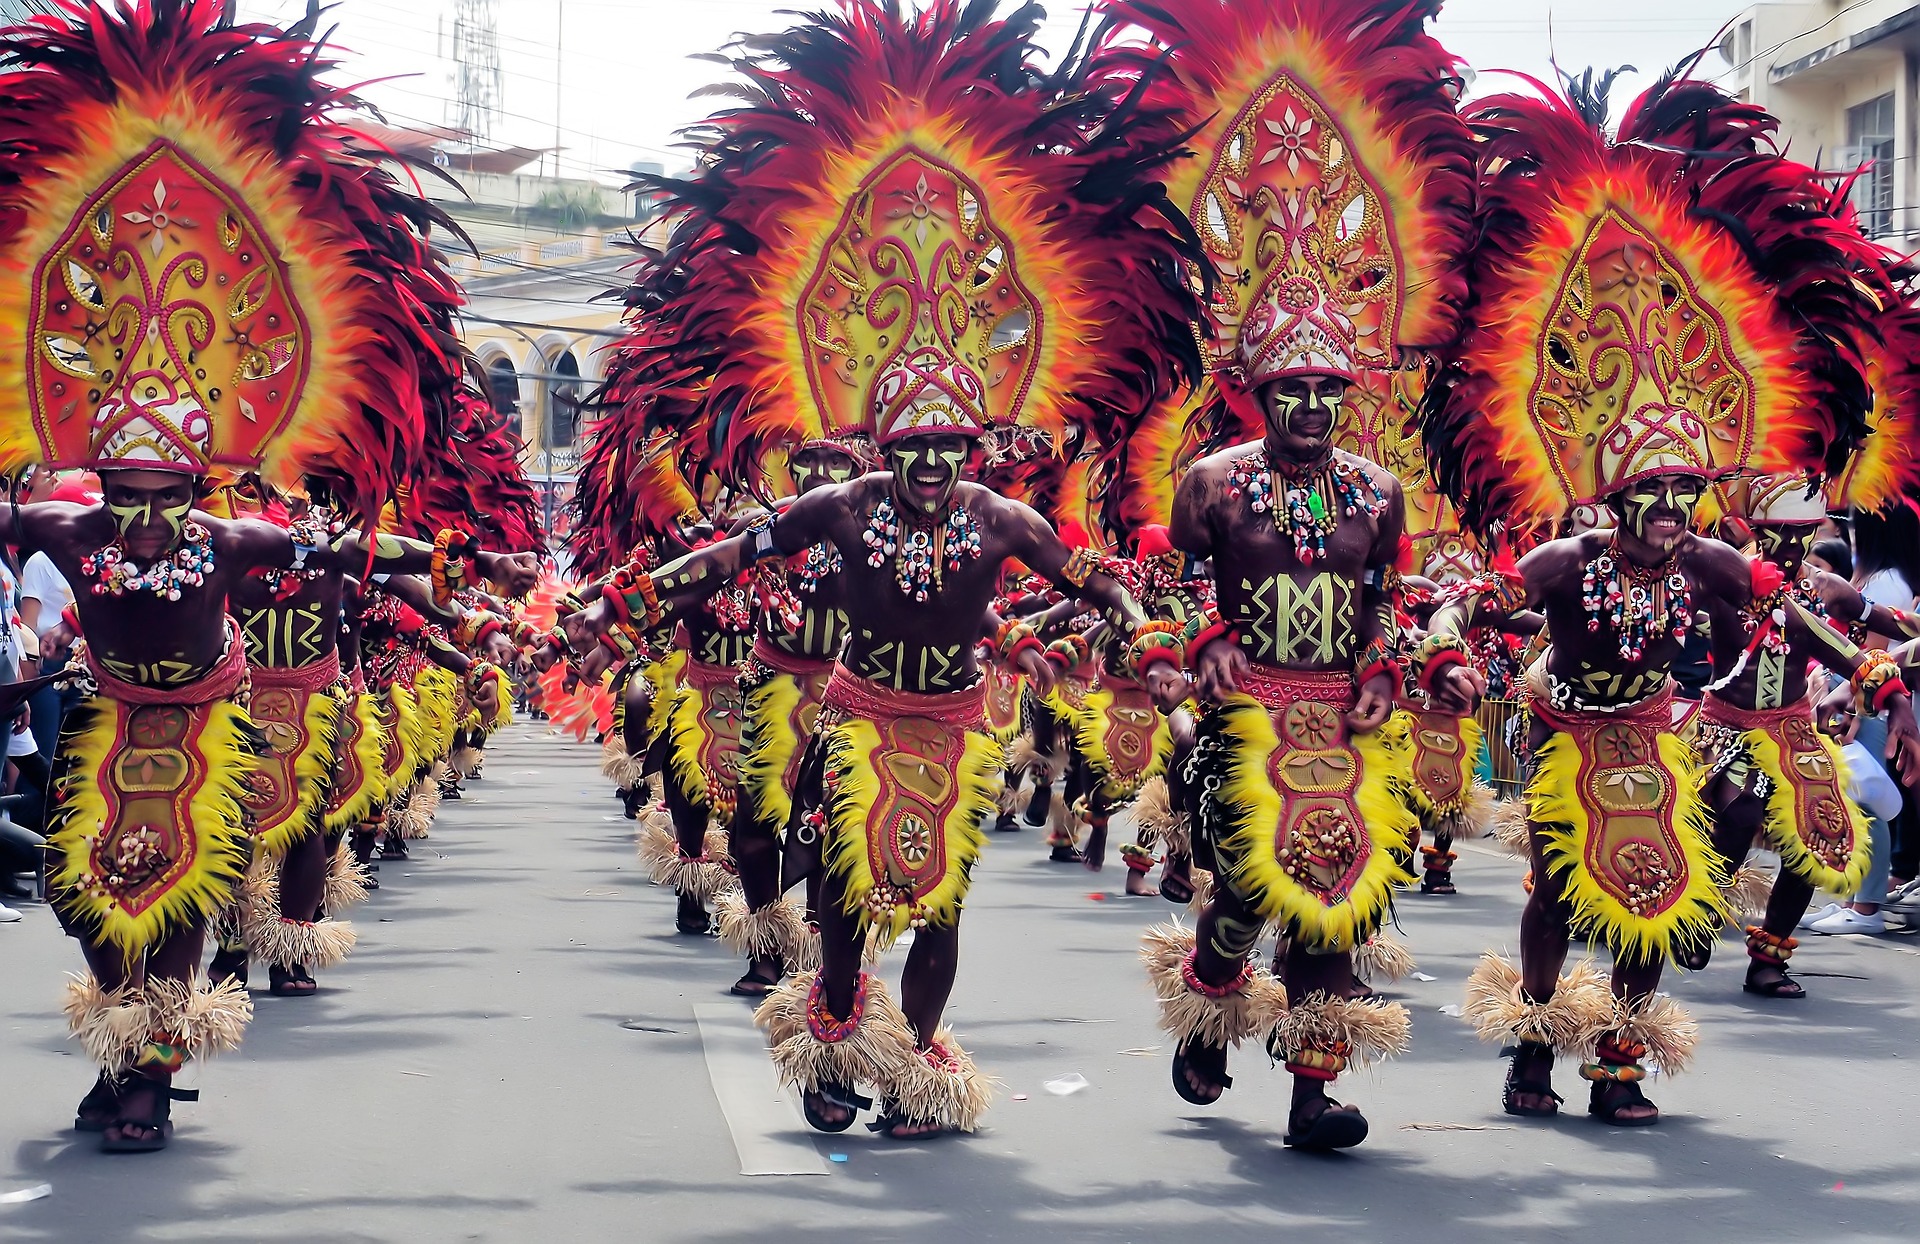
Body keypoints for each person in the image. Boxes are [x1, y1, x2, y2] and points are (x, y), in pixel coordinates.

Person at [571, 0, 1200, 1140]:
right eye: (910, 452)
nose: (928, 469)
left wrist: (1139, 627)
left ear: (974, 450)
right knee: (851, 889)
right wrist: (638, 592)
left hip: (955, 721)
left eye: (947, 453)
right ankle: (834, 1036)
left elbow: (1087, 573)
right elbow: (733, 548)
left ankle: (913, 1060)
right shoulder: (841, 504)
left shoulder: (1002, 515)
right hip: (858, 711)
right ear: (882, 450)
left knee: (944, 894)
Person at [0, 0, 532, 1152]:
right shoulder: (64, 521)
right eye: (126, 496)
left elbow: (354, 556)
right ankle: (121, 1015)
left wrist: (463, 562)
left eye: (163, 498)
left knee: (187, 885)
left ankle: (148, 1061)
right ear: (103, 486)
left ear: (195, 486)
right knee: (77, 889)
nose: (143, 521)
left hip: (208, 720)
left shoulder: (234, 541)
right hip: (103, 714)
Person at [1426, 70, 1891, 1125]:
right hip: (1562, 731)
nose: (1676, 507)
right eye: (1658, 494)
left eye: (1688, 490)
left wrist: (1860, 655)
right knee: (1557, 890)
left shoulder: (1710, 564)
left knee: (1650, 895)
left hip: (1651, 735)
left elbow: (1792, 602)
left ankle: (1619, 1061)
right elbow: (1474, 603)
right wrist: (1446, 644)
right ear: (1620, 495)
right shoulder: (1567, 562)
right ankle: (1536, 1045)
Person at [1100, 0, 1477, 1151]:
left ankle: (1314, 1090)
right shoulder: (1211, 481)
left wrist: (1403, 662)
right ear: (1255, 390)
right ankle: (1209, 1012)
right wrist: (1186, 643)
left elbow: (1394, 597)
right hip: (1241, 714)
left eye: (1328, 387)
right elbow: (1164, 584)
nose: (1309, 406)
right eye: (1289, 389)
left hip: (1344, 722)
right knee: (1250, 897)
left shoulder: (1378, 488)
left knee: (1338, 900)